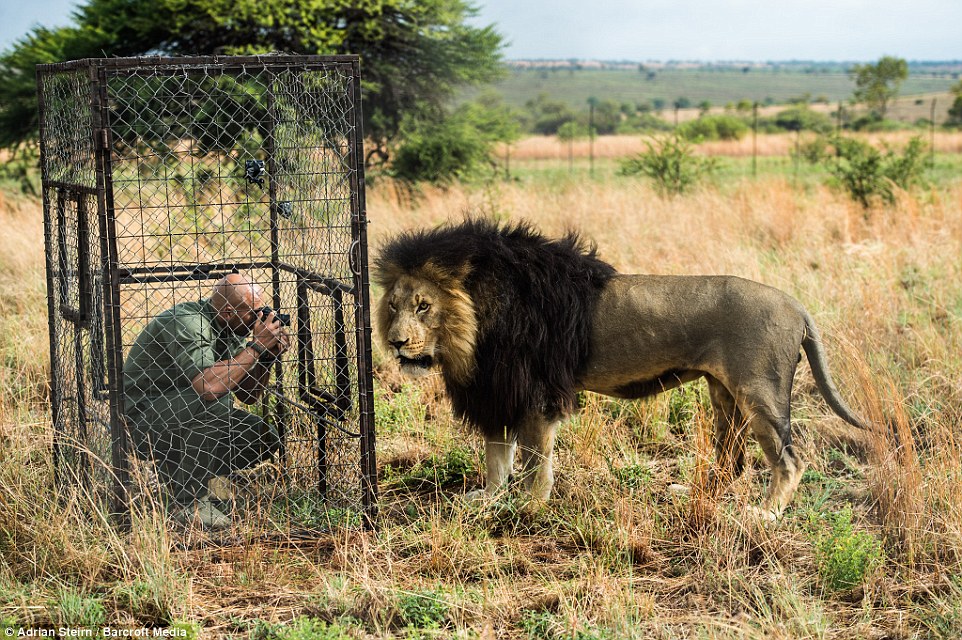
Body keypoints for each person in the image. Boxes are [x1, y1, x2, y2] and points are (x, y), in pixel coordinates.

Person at [123, 273, 291, 529]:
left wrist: (266, 357)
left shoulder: (231, 327)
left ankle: (179, 477)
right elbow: (209, 388)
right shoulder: (188, 322)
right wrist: (255, 347)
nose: (259, 319)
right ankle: (187, 502)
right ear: (226, 312)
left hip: (179, 413)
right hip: (140, 420)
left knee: (261, 436)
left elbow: (247, 395)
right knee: (216, 403)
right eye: (254, 313)